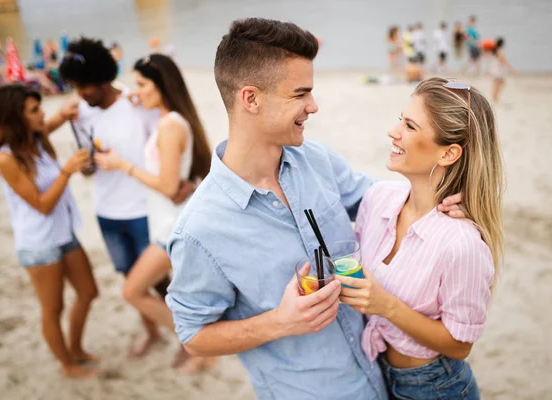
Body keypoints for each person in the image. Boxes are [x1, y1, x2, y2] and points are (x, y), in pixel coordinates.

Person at [165, 18, 464, 400]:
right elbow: (193, 336)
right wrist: (280, 322)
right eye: (300, 94)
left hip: (389, 380)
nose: (314, 106)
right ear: (251, 99)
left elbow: (383, 205)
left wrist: (443, 201)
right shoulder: (199, 231)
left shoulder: (316, 159)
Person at [337, 77, 503, 400]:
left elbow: (460, 345)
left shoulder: (462, 244)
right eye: (401, 118)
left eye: (410, 126)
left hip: (435, 388)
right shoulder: (379, 197)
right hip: (376, 375)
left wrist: (385, 306)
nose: (394, 131)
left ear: (449, 153)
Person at [58, 37, 193, 358]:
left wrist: (185, 183)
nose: (80, 94)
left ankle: (187, 342)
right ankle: (152, 333)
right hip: (107, 212)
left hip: (146, 211)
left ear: (103, 79)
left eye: (84, 86)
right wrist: (87, 165)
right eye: (75, 87)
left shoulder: (139, 107)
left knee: (162, 282)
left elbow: (170, 152)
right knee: (131, 279)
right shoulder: (83, 116)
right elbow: (89, 167)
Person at [94, 53, 217, 372]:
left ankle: (201, 347)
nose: (137, 91)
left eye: (142, 84)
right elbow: (181, 178)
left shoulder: (169, 126)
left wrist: (122, 165)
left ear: (161, 85)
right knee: (178, 293)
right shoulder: (172, 120)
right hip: (168, 224)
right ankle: (200, 348)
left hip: (172, 230)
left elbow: (166, 184)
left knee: (132, 290)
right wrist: (136, 96)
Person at [0, 84, 100, 379]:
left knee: (89, 291)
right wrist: (67, 170)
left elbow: (52, 122)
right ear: (16, 117)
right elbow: (41, 205)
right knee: (53, 309)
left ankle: (75, 349)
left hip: (64, 234)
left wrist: (65, 113)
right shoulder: (7, 158)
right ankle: (67, 365)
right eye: (34, 110)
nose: (42, 114)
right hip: (39, 243)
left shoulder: (35, 139)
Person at [490, 37, 516, 103]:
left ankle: (495, 97)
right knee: (499, 84)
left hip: (494, 69)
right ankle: (495, 98)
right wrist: (512, 70)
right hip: (498, 71)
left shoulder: (495, 50)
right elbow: (503, 61)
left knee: (497, 84)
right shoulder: (499, 51)